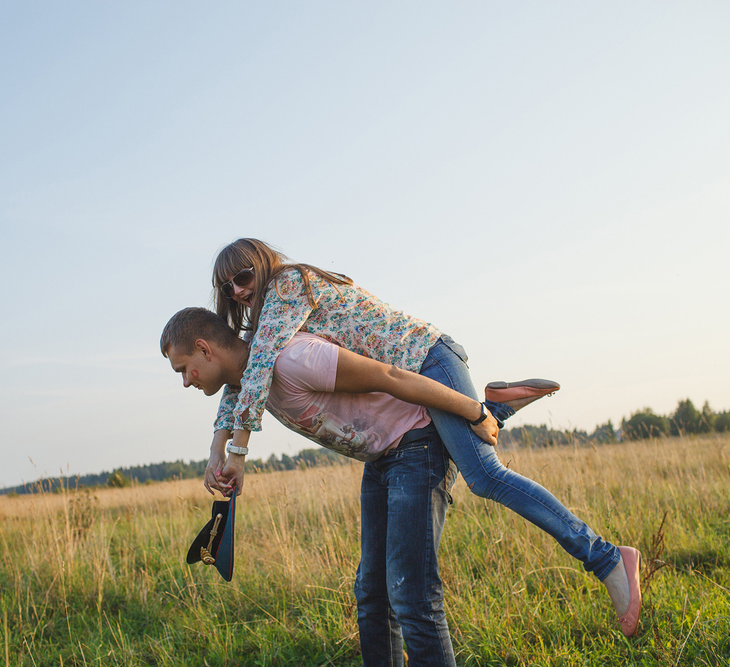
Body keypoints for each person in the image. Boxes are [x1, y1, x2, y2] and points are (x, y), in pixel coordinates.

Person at [206, 238, 642, 639]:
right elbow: (241, 380)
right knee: (472, 457)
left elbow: (258, 369)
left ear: (264, 267)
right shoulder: (266, 324)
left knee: (485, 476)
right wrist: (215, 449)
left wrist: (238, 453)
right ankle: (496, 406)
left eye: (243, 278)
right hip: (414, 381)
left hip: (427, 361)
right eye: (227, 289)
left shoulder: (285, 285)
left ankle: (607, 559)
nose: (239, 292)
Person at [160, 306, 557, 665]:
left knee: (410, 595)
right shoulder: (249, 381)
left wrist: (475, 412)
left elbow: (389, 376)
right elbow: (236, 394)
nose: (184, 382)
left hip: (417, 441)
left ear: (204, 348)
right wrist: (219, 450)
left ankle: (492, 409)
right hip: (382, 457)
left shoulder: (295, 358)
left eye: (183, 369)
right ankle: (497, 406)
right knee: (371, 596)